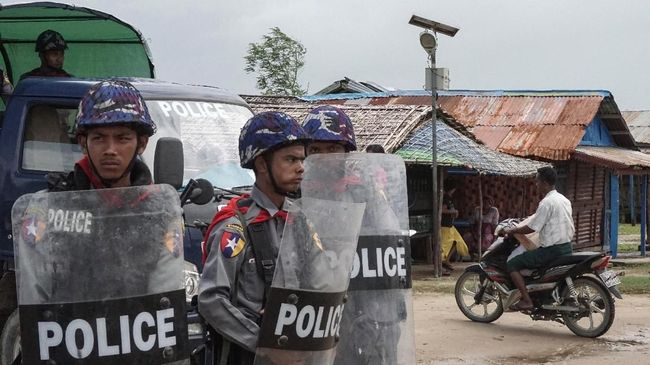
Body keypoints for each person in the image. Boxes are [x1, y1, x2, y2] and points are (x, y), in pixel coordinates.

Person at [198, 111, 310, 365]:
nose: (300, 167)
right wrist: (262, 344)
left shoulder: (300, 220)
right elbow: (211, 299)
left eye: (302, 159)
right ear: (261, 164)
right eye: (290, 159)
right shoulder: (235, 226)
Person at [47, 80, 155, 190]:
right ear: (83, 144)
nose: (110, 150)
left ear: (141, 144)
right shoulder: (54, 200)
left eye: (122, 139)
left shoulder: (158, 203)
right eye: (99, 138)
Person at [502, 166, 574, 311]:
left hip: (552, 250)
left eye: (537, 181)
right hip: (567, 247)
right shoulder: (563, 200)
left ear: (545, 183)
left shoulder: (546, 203)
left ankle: (527, 300)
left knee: (513, 264)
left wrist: (513, 230)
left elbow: (532, 228)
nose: (536, 184)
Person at [440, 177, 470, 270]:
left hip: (450, 225)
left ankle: (446, 260)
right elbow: (442, 210)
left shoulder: (449, 198)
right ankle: (441, 263)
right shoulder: (445, 198)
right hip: (445, 225)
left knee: (457, 242)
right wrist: (453, 211)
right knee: (444, 245)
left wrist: (454, 212)